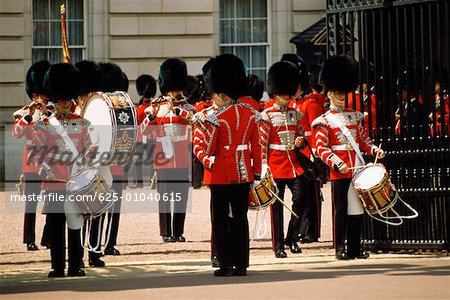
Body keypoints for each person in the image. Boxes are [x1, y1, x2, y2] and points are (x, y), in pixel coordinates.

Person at [312, 55, 385, 260]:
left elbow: (363, 140)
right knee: (341, 210)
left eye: (343, 91)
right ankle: (339, 248)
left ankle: (354, 248)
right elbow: (321, 148)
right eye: (337, 92)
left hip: (356, 168)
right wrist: (337, 162)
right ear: (330, 93)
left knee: (356, 209)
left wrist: (374, 151)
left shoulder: (354, 116)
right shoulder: (324, 120)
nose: (341, 95)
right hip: (340, 171)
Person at [202, 54, 262, 276]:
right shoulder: (252, 115)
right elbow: (257, 148)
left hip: (220, 175)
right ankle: (242, 265)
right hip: (244, 173)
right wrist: (256, 173)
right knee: (240, 219)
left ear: (221, 92)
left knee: (219, 220)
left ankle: (225, 264)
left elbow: (208, 149)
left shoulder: (217, 118)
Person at [30, 63, 91, 277]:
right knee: (55, 226)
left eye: (67, 98)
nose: (64, 102)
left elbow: (89, 151)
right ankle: (57, 265)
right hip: (54, 181)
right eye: (61, 98)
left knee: (75, 224)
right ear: (56, 98)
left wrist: (84, 168)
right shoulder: (46, 124)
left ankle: (76, 264)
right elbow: (35, 153)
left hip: (75, 181)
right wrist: (48, 169)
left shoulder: (82, 123)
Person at [140, 58, 196, 243]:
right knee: (164, 195)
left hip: (181, 154)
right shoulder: (157, 107)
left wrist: (177, 109)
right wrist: (153, 115)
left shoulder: (187, 107)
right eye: (173, 88)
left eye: (178, 88)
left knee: (181, 194)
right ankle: (166, 231)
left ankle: (178, 231)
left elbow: (195, 125)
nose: (176, 92)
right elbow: (143, 133)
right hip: (162, 155)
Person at [259, 61, 306, 258]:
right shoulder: (266, 115)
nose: (288, 95)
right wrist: (263, 169)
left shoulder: (296, 114)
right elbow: (262, 145)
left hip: (293, 165)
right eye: (284, 91)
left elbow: (302, 138)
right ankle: (278, 245)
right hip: (275, 165)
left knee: (300, 200)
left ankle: (291, 238)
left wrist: (300, 142)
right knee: (276, 208)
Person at [282, 53, 324, 244]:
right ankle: (300, 230)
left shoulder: (311, 103)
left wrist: (315, 153)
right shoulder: (293, 103)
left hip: (309, 153)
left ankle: (312, 231)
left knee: (312, 195)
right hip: (296, 153)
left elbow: (314, 131)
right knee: (301, 196)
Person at [13, 60, 53, 251]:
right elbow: (17, 133)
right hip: (31, 165)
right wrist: (29, 116)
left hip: (50, 163)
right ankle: (29, 239)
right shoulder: (24, 113)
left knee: (53, 203)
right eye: (37, 94)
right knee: (31, 205)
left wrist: (45, 115)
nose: (40, 98)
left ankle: (48, 237)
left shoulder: (51, 112)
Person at [134, 74, 157, 188]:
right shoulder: (154, 107)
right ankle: (153, 181)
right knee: (153, 161)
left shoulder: (139, 108)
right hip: (152, 137)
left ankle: (139, 183)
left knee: (138, 161)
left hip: (141, 137)